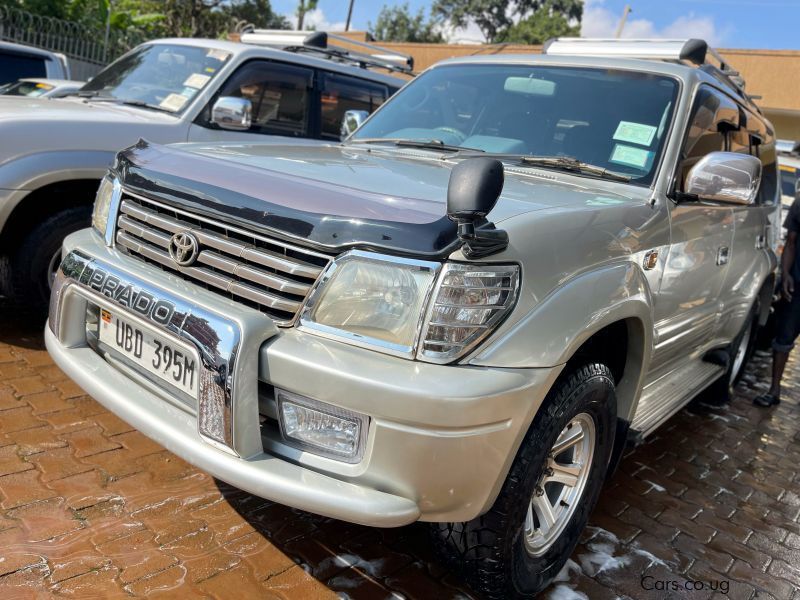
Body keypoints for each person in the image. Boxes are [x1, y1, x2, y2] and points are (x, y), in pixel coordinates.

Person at [755, 184, 800, 407]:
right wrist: (786, 274)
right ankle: (774, 390)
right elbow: (791, 241)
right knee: (783, 338)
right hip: (797, 285)